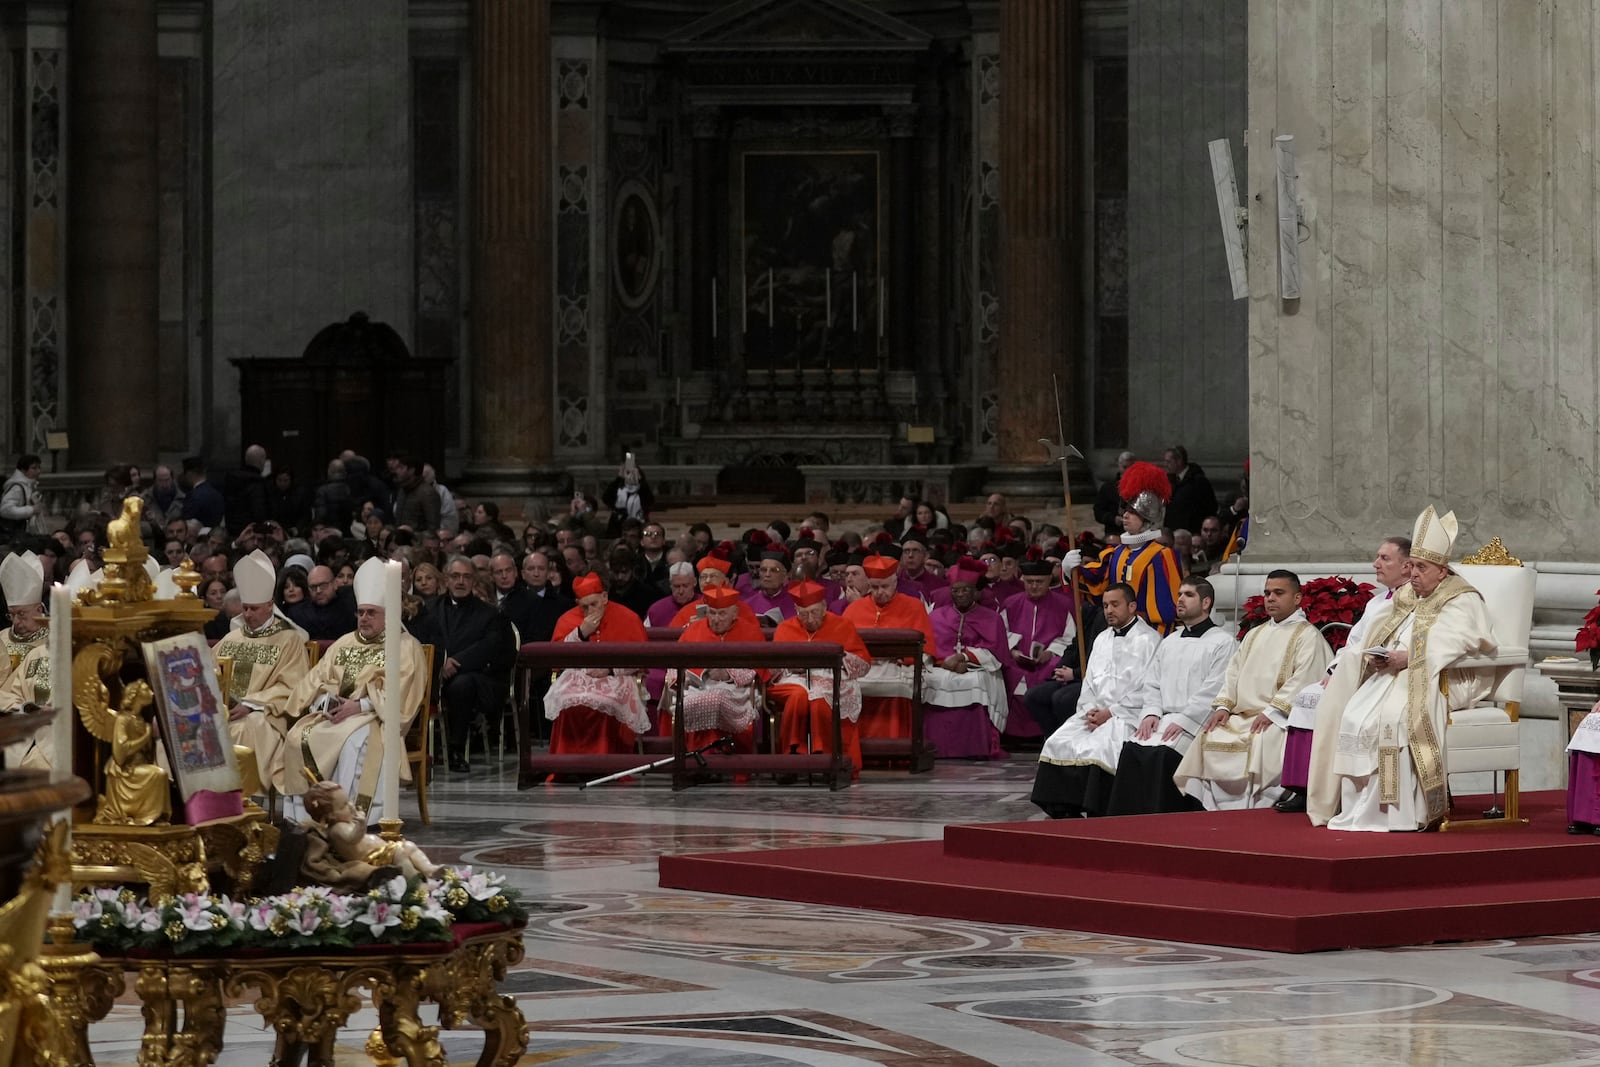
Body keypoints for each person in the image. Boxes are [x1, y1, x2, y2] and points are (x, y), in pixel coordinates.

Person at [1308, 507, 1497, 832]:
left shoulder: (1462, 599)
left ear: (1441, 571)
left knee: (1392, 718)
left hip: (1445, 678)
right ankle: (1355, 807)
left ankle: (1398, 812)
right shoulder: (1411, 594)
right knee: (1353, 713)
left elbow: (1453, 642)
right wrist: (1376, 655)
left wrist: (1406, 658)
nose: (1413, 575)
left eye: (1421, 568)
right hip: (1394, 673)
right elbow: (1379, 628)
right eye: (1412, 567)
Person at [281, 557, 429, 822]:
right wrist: (325, 700)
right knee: (296, 737)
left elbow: (403, 694)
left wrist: (359, 705)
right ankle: (304, 816)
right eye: (361, 612)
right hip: (334, 714)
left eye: (372, 613)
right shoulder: (344, 643)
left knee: (353, 744)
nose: (364, 618)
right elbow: (315, 680)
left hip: (373, 717)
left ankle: (352, 815)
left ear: (389, 614)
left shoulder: (405, 647)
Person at [1274, 536, 1412, 814]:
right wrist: (1335, 670)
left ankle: (1336, 792)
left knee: (1327, 704)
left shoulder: (1414, 601)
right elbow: (1354, 642)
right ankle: (1303, 787)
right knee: (1307, 698)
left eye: (1385, 558)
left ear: (1407, 566)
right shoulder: (1376, 603)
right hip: (1354, 669)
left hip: (1382, 675)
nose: (1376, 564)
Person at [1173, 569, 1332, 810]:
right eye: (1267, 593)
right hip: (1242, 716)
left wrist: (1271, 713)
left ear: (1297, 598)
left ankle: (1252, 810)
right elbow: (1233, 672)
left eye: (1279, 593)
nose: (1270, 598)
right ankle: (1214, 813)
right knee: (1208, 734)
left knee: (1262, 741)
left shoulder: (1308, 636)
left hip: (1278, 719)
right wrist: (1224, 706)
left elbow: (1305, 681)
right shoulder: (1255, 634)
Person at [1106, 576, 1239, 816]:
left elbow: (1215, 688)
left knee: (1162, 755)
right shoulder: (1169, 641)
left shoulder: (1223, 642)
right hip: (1163, 717)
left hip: (1196, 722)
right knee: (1131, 749)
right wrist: (1150, 713)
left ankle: (1162, 822)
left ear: (1206, 602)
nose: (1180, 600)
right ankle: (1126, 824)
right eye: (1179, 594)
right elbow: (1152, 682)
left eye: (1188, 595)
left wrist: (1185, 721)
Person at [1031, 583, 1162, 817]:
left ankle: (1096, 811)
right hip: (1093, 713)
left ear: (1132, 606)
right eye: (1105, 606)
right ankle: (1063, 810)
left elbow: (1148, 687)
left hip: (1125, 715)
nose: (1109, 610)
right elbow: (1090, 681)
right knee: (1057, 741)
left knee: (1100, 747)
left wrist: (1110, 713)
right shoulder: (1102, 638)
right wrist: (1090, 710)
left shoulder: (1150, 640)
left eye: (1115, 605)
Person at [216, 550, 311, 795]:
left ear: (270, 606)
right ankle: (207, 799)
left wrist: (250, 704)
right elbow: (210, 672)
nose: (247, 614)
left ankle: (244, 799)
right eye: (245, 608)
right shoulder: (231, 638)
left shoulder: (289, 640)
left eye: (254, 609)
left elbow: (293, 686)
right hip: (226, 710)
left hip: (267, 713)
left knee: (244, 728)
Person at [769, 580, 872, 775]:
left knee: (819, 699)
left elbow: (863, 664)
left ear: (824, 607)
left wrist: (837, 657)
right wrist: (790, 663)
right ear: (795, 609)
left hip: (829, 678)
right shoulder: (785, 628)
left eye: (814, 612)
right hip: (794, 680)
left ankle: (824, 755)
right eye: (803, 613)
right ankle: (792, 754)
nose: (809, 619)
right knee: (799, 694)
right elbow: (773, 667)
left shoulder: (843, 625)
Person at [1067, 461, 1183, 633]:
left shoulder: (1162, 555)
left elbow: (1167, 605)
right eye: (1125, 511)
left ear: (1147, 519)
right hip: (1115, 633)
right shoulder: (1115, 552)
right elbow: (1098, 585)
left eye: (1133, 512)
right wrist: (1072, 569)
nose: (1125, 516)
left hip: (1149, 636)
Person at [544, 573, 651, 755]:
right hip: (577, 677)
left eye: (594, 604)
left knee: (605, 703)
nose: (590, 611)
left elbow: (641, 659)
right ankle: (568, 763)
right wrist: (580, 632)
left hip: (619, 677)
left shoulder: (628, 617)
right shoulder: (567, 619)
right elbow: (557, 658)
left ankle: (605, 761)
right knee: (569, 704)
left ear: (605, 597)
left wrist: (610, 670)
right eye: (584, 607)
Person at [429, 556, 515, 773]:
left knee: (462, 685)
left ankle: (455, 749)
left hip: (479, 678)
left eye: (466, 577)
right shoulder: (430, 609)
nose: (460, 581)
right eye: (455, 576)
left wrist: (455, 664)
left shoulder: (490, 613)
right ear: (446, 579)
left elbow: (489, 647)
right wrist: (440, 665)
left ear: (474, 581)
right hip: (434, 673)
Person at [920, 558, 1012, 759]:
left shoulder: (991, 617)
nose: (960, 594)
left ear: (976, 592)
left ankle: (975, 748)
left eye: (965, 590)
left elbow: (995, 652)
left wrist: (964, 658)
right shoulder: (936, 616)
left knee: (977, 681)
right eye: (955, 590)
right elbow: (927, 648)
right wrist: (944, 662)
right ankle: (936, 746)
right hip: (941, 667)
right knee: (929, 679)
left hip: (977, 668)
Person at [841, 555, 937, 740]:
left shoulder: (913, 606)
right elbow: (844, 645)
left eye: (884, 587)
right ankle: (854, 747)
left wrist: (905, 659)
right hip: (862, 668)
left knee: (900, 687)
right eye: (874, 587)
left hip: (898, 667)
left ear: (895, 583)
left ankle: (897, 745)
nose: (879, 592)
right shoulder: (855, 608)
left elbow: (926, 648)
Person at [667, 586, 767, 756]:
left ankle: (715, 756)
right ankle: (696, 757)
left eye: (722, 614)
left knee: (716, 699)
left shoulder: (750, 632)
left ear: (734, 613)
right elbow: (676, 663)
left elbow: (759, 667)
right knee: (692, 703)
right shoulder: (694, 630)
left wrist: (728, 674)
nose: (716, 619)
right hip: (698, 687)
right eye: (712, 613)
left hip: (737, 689)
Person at [1007, 549, 1093, 737]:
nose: (1034, 586)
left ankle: (1044, 734)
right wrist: (1013, 651)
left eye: (1039, 582)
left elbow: (1071, 637)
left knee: (1052, 670)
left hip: (1051, 658)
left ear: (1048, 581)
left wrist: (1050, 652)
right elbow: (1001, 634)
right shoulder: (1010, 603)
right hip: (1017, 658)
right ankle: (1014, 735)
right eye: (1029, 582)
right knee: (1010, 673)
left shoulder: (1065, 604)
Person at [0, 551, 47, 691]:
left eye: (21, 614)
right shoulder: (1, 637)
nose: (16, 622)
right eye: (11, 615)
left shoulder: (53, 641)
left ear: (39, 609)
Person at [286, 564, 357, 640]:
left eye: (323, 585)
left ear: (335, 584)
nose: (318, 591)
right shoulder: (297, 614)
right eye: (313, 587)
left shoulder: (350, 608)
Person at [1163, 445, 1217, 538]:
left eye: (1168, 462)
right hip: (1174, 534)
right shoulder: (1172, 481)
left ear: (1179, 461)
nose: (1166, 465)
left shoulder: (1198, 482)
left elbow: (1209, 507)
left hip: (1191, 534)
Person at [0, 455, 43, 540]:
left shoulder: (28, 484)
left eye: (39, 467)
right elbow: (5, 510)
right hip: (13, 534)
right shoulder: (17, 487)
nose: (38, 471)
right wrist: (32, 510)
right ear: (23, 470)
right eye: (34, 468)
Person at [1093, 452, 1136, 535]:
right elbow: (1098, 512)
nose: (1127, 471)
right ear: (1119, 466)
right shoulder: (1108, 488)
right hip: (1114, 533)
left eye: (1131, 468)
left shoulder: (1141, 488)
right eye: (1125, 467)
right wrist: (1113, 519)